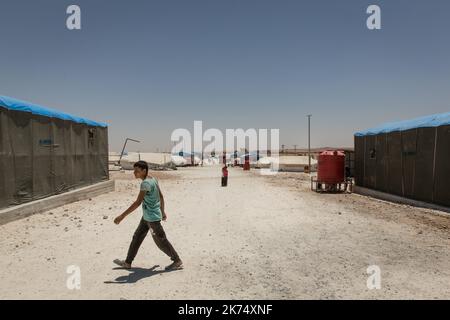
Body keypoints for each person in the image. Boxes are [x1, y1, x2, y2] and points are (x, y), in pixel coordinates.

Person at [113, 161, 183, 271]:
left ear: (144, 170)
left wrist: (122, 216)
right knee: (137, 238)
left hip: (152, 219)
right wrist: (163, 212)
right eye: (134, 170)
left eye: (137, 171)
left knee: (161, 241)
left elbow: (137, 202)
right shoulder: (153, 179)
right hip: (146, 217)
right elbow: (161, 196)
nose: (134, 173)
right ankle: (127, 262)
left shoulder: (145, 184)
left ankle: (177, 260)